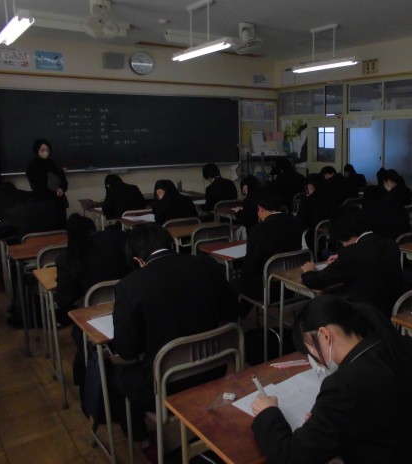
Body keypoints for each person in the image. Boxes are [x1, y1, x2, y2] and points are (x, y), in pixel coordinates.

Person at [250, 295, 412, 464]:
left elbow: (291, 456)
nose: (313, 358)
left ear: (325, 335)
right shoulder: (395, 345)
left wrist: (268, 413)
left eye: (310, 350)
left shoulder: (345, 384)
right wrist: (328, 420)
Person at [110, 224, 235, 457]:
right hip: (213, 369)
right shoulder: (207, 265)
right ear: (171, 243)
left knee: (113, 377)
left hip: (165, 385)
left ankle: (144, 442)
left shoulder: (129, 286)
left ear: (137, 260)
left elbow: (127, 350)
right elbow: (232, 311)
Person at [300, 205, 405, 316]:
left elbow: (315, 282)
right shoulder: (390, 243)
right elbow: (368, 255)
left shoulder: (351, 255)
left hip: (369, 316)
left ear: (342, 234)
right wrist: (341, 256)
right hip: (396, 310)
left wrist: (309, 270)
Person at [55, 214, 129, 318]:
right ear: (94, 227)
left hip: (92, 314)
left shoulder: (67, 257)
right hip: (127, 303)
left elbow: (63, 300)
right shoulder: (118, 238)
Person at [240, 188, 303, 301]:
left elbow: (250, 267)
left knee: (232, 285)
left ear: (260, 208)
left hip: (266, 287)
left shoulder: (258, 230)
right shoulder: (296, 222)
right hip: (292, 282)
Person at [26, 138, 68, 214]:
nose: (45, 152)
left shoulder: (52, 163)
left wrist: (61, 189)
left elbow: (62, 178)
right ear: (37, 150)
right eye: (42, 150)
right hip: (43, 203)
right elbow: (38, 186)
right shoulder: (33, 166)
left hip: (59, 202)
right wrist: (54, 192)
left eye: (47, 150)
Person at [295, 173, 331, 252]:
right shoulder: (331, 198)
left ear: (310, 186)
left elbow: (300, 219)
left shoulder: (307, 200)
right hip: (330, 233)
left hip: (313, 235)